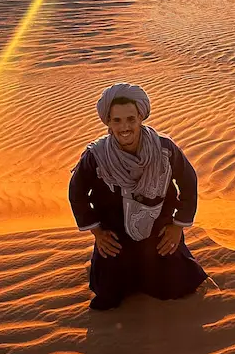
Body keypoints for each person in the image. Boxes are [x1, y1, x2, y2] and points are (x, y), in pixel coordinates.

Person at [68, 82, 208, 310]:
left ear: (140, 117)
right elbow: (77, 193)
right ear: (108, 122)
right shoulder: (96, 156)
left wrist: (177, 227)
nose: (125, 127)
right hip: (116, 235)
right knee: (108, 297)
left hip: (158, 230)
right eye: (117, 120)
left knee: (177, 287)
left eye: (130, 119)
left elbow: (188, 182)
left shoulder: (164, 148)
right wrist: (98, 233)